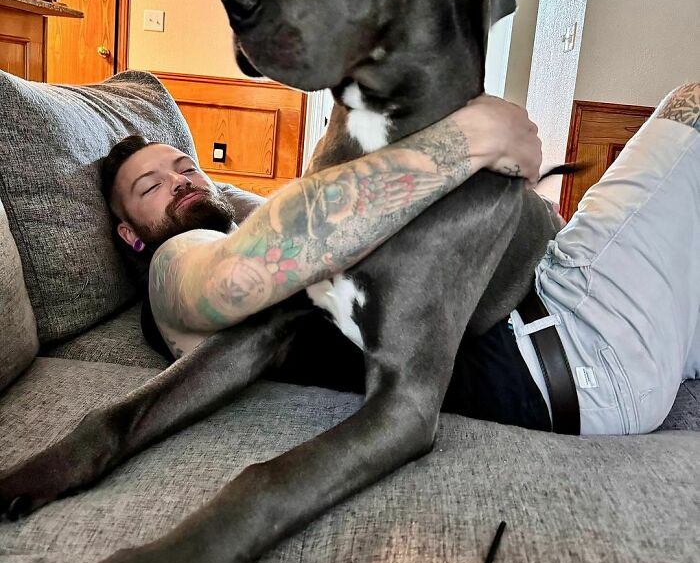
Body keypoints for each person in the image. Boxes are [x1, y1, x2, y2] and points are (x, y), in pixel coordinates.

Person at [101, 83, 700, 437]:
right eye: (150, 186)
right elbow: (235, 275)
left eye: (185, 167)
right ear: (131, 234)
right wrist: (467, 139)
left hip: (575, 319)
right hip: (574, 345)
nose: (180, 182)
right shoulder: (173, 264)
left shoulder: (247, 218)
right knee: (689, 105)